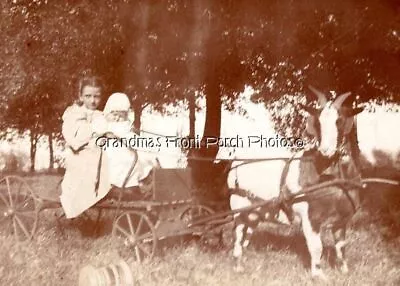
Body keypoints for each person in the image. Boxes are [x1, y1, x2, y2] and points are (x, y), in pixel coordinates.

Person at [60, 75, 111, 219]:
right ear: (80, 96)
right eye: (88, 96)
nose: (93, 100)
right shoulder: (73, 114)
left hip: (95, 153)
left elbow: (104, 133)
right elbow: (74, 140)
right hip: (78, 155)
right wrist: (94, 130)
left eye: (97, 96)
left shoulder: (100, 115)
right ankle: (87, 196)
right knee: (90, 163)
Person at [100, 92, 157, 199]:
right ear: (108, 113)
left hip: (126, 156)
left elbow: (130, 138)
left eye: (120, 116)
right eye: (114, 115)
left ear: (126, 117)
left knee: (138, 157)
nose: (117, 118)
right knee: (120, 162)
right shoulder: (107, 128)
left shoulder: (124, 128)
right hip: (113, 159)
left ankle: (132, 185)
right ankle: (116, 187)